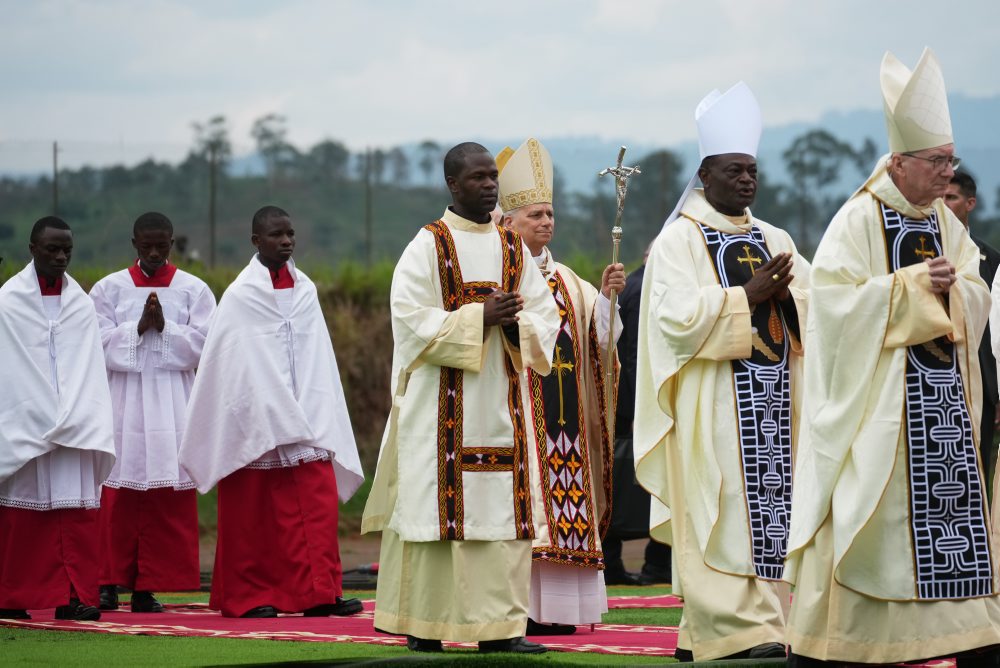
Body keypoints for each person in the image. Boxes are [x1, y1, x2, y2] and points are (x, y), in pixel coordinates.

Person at [786, 48, 1000, 666]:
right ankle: (843, 645)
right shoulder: (856, 220)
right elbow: (830, 310)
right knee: (869, 521)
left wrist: (954, 289)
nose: (946, 173)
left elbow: (978, 289)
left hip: (945, 417)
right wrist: (908, 288)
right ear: (900, 163)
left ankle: (966, 639)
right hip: (880, 414)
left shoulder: (945, 223)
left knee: (952, 522)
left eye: (950, 161)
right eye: (937, 161)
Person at [634, 82, 809, 662]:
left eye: (752, 170)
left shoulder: (774, 237)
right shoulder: (679, 241)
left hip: (776, 405)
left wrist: (790, 301)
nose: (746, 180)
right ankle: (734, 630)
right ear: (705, 174)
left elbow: (820, 303)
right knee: (721, 510)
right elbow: (672, 320)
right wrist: (745, 295)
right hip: (715, 408)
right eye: (734, 170)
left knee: (770, 512)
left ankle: (727, 629)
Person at [362, 142, 560, 654]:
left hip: (502, 402)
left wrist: (516, 323)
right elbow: (408, 321)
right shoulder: (428, 245)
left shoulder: (513, 248)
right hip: (440, 411)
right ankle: (424, 625)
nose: (489, 185)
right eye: (477, 178)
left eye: (492, 176)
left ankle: (501, 629)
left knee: (501, 518)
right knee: (438, 518)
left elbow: (545, 317)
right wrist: (479, 319)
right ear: (453, 184)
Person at [178, 206, 365, 619]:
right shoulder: (241, 295)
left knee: (317, 509)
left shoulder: (306, 290)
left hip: (309, 421)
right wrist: (269, 406)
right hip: (258, 424)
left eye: (290, 234)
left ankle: (320, 592)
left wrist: (313, 407)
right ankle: (249, 596)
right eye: (276, 235)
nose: (285, 241)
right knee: (254, 517)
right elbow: (230, 364)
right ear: (255, 241)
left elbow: (318, 359)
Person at [498, 137, 623, 633]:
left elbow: (602, 341)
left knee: (567, 508)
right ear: (508, 222)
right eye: (535, 215)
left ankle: (562, 614)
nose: (546, 222)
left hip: (566, 425)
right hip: (524, 422)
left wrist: (609, 300)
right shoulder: (499, 274)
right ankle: (524, 613)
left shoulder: (570, 280)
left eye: (550, 214)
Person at [89, 212, 216, 613]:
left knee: (165, 496)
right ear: (135, 244)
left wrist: (167, 330)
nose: (156, 253)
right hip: (123, 401)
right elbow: (94, 342)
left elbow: (207, 345)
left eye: (163, 245)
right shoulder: (108, 289)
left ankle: (148, 587)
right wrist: (138, 328)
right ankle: (107, 582)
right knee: (116, 494)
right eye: (148, 246)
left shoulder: (194, 290)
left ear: (173, 243)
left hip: (172, 401)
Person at [0, 216, 116, 621]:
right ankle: (13, 596)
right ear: (32, 249)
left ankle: (76, 595)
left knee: (76, 516)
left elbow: (88, 368)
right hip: (25, 425)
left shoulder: (81, 304)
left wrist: (75, 414)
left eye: (67, 248)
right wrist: (37, 412)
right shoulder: (8, 301)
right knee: (21, 519)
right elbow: (9, 369)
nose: (61, 256)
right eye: (52, 249)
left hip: (73, 428)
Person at [603, 246, 672, 586]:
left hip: (627, 404)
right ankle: (654, 564)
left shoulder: (636, 283)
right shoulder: (646, 287)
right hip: (634, 405)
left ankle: (615, 561)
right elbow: (634, 356)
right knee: (634, 482)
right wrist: (637, 410)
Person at [946, 172, 1000, 479]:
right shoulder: (919, 252)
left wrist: (997, 393)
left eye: (951, 198)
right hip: (930, 380)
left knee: (977, 470)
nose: (944, 203)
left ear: (970, 203)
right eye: (940, 197)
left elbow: (997, 330)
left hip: (981, 384)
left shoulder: (991, 260)